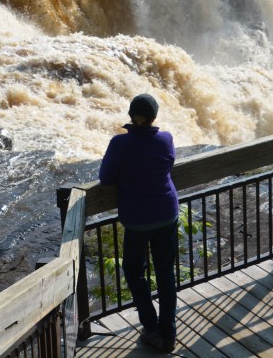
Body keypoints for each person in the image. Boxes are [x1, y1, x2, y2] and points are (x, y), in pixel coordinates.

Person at [98, 93, 179, 353]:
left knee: (134, 271)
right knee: (166, 273)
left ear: (131, 115)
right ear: (154, 117)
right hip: (167, 213)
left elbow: (106, 178)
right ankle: (168, 332)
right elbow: (168, 163)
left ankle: (151, 327)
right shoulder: (165, 139)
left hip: (137, 220)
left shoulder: (120, 143)